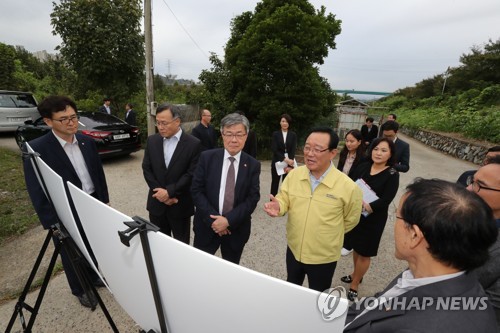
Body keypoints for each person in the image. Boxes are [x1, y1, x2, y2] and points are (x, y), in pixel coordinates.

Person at [344, 178, 498, 332]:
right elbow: (377, 306)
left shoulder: (427, 326)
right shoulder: (421, 272)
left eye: (397, 216)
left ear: (415, 235)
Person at [23, 95, 109, 308]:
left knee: (91, 245)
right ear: (48, 121)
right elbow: (36, 189)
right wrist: (51, 223)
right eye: (64, 119)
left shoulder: (87, 141)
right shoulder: (36, 149)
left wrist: (104, 202)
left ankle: (94, 275)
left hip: (90, 203)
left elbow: (98, 174)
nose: (71, 122)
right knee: (71, 253)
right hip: (64, 211)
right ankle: (80, 288)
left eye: (73, 117)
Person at [264, 127, 363, 292]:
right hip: (294, 248)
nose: (309, 154)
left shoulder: (349, 187)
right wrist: (279, 206)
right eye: (307, 148)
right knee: (291, 289)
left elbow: (351, 219)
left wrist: (327, 234)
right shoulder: (295, 175)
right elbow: (284, 197)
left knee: (318, 295)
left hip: (323, 257)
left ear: (333, 153)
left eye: (317, 149)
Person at [191, 113, 261, 264]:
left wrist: (228, 220)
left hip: (235, 230)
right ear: (222, 134)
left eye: (239, 134)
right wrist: (216, 221)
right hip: (206, 226)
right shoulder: (206, 158)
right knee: (199, 268)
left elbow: (252, 198)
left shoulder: (253, 165)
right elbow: (196, 190)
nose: (234, 140)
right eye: (229, 134)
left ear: (246, 135)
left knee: (230, 272)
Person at [341, 137, 399, 300]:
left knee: (365, 253)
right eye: (376, 149)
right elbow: (351, 183)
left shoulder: (392, 173)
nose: (378, 153)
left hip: (373, 219)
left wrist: (369, 206)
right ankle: (355, 274)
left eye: (383, 150)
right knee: (356, 246)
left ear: (390, 154)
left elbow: (387, 198)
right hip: (356, 215)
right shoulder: (364, 166)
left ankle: (355, 284)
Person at [142, 103, 202, 244]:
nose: (160, 127)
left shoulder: (193, 144)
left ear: (177, 121)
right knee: (159, 245)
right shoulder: (152, 141)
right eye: (157, 123)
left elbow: (191, 174)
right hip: (157, 205)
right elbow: (147, 168)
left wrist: (170, 192)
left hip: (179, 205)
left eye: (164, 123)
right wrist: (161, 195)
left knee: (181, 246)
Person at [468, 156, 500, 328]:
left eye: (479, 185)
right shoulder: (459, 221)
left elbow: (489, 313)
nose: (468, 189)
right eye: (472, 181)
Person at [337, 129, 366, 256]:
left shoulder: (364, 158)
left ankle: (349, 245)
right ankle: (342, 240)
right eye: (347, 141)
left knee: (351, 216)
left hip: (354, 190)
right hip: (341, 188)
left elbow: (361, 177)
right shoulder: (344, 154)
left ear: (359, 142)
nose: (348, 144)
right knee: (341, 214)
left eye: (352, 141)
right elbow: (339, 170)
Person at [270, 113, 297, 196]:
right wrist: (285, 159)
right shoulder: (275, 134)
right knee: (275, 183)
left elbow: (293, 149)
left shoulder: (293, 135)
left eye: (286, 122)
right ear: (280, 122)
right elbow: (274, 149)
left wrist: (290, 161)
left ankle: (283, 203)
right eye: (283, 121)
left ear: (289, 123)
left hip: (289, 163)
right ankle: (272, 202)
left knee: (285, 184)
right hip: (277, 161)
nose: (285, 123)